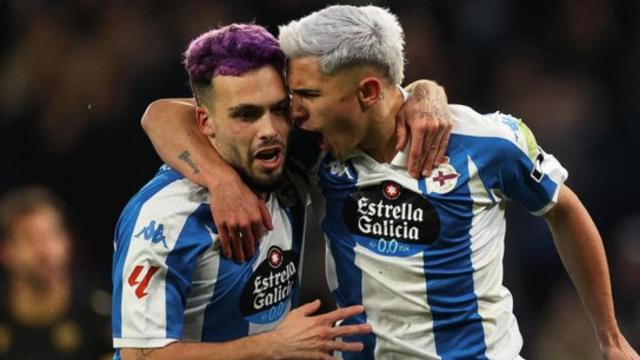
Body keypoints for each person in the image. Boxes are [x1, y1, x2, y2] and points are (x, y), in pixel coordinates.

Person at [142, 5, 639, 360]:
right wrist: (221, 182)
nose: (292, 110)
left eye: (308, 94)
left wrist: (610, 337)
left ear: (369, 91)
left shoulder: (485, 141)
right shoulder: (313, 144)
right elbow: (162, 116)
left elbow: (564, 209)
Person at [0, 186, 112, 359]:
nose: (45, 252)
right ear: (5, 251)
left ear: (67, 242)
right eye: (30, 239)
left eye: (52, 235)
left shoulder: (102, 317)